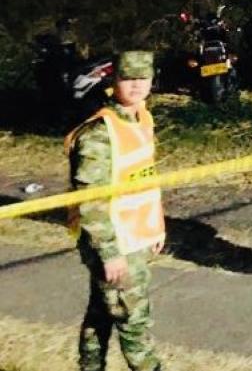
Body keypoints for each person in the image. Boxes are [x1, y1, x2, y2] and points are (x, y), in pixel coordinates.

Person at [65, 51, 165, 371]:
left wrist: (157, 227)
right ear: (114, 81)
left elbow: (144, 179)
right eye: (128, 79)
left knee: (102, 312)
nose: (136, 86)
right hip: (112, 241)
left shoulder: (142, 118)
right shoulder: (99, 133)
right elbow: (91, 200)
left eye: (142, 79)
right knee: (133, 319)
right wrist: (109, 253)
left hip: (137, 236)